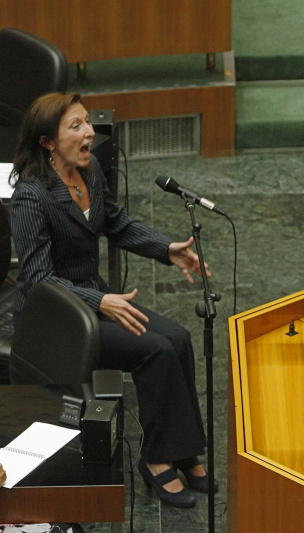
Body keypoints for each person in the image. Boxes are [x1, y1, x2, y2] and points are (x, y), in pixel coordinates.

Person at [8, 92, 216, 509]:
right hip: (56, 321)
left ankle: (182, 448)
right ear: (48, 142)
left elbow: (115, 222)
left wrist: (166, 248)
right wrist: (100, 301)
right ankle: (157, 459)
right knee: (154, 350)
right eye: (76, 126)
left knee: (177, 337)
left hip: (95, 301)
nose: (89, 132)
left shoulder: (89, 168)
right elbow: (38, 281)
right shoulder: (31, 196)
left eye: (87, 122)